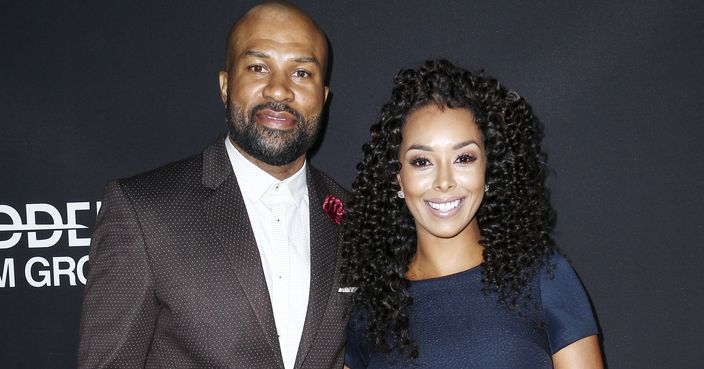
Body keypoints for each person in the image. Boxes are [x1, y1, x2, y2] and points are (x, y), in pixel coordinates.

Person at [77, 2, 351, 368]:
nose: (279, 90)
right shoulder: (143, 211)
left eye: (301, 73)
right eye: (258, 67)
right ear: (225, 86)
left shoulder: (355, 218)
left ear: (323, 97)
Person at [341, 60, 603, 369]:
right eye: (422, 161)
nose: (444, 181)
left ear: (488, 169)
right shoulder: (372, 309)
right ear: (396, 177)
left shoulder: (542, 279)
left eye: (464, 158)